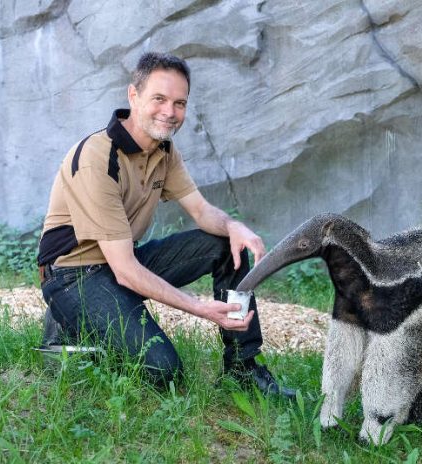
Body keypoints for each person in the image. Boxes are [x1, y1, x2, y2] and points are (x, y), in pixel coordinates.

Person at [37, 52, 294, 398]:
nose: (170, 112)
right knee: (163, 372)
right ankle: (69, 331)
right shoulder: (97, 158)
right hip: (73, 277)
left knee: (223, 246)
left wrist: (234, 227)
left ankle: (243, 367)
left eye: (179, 103)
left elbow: (201, 212)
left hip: (118, 261)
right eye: (159, 98)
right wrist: (202, 309)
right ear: (133, 96)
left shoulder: (164, 151)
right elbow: (127, 271)